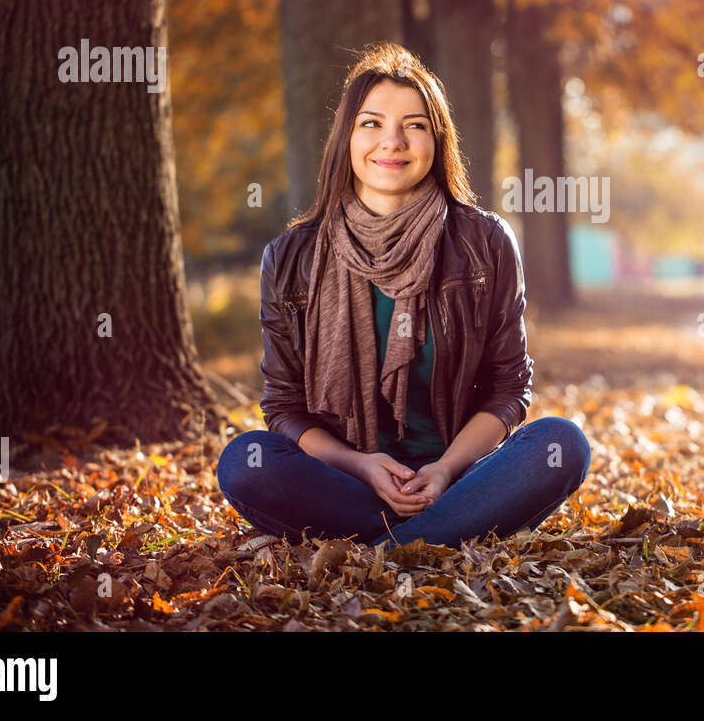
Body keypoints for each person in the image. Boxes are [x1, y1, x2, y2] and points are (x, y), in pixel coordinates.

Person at [217, 41, 590, 549]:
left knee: (561, 444)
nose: (392, 141)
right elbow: (285, 407)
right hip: (346, 484)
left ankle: (393, 543)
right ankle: (438, 536)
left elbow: (509, 386)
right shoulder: (290, 256)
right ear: (346, 138)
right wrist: (362, 465)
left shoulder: (483, 241)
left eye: (413, 124)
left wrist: (444, 469)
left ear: (436, 140)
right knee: (245, 462)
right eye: (371, 123)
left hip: (457, 479)